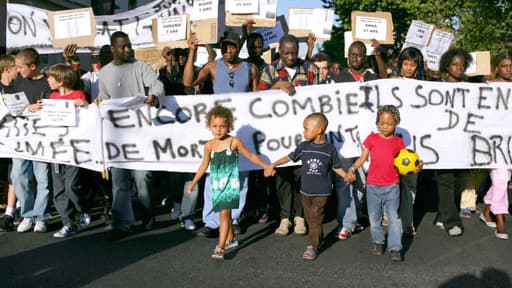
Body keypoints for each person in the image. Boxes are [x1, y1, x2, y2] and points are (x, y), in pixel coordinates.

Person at [184, 30, 259, 237]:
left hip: (242, 129)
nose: (228, 50)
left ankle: (233, 218)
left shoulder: (251, 69)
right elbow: (188, 82)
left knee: (240, 176)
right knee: (214, 176)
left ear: (238, 47)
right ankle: (212, 220)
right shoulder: (213, 66)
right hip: (220, 129)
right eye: (224, 47)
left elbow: (257, 100)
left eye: (232, 46)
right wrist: (191, 52)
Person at [98, 31, 164, 240]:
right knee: (119, 181)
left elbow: (156, 84)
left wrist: (155, 96)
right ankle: (123, 223)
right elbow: (103, 98)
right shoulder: (105, 73)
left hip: (140, 133)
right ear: (112, 49)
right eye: (122, 47)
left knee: (143, 177)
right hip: (117, 135)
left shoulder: (140, 67)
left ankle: (147, 212)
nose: (127, 50)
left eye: (129, 46)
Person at [187, 105, 273, 259]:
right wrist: (193, 183)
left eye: (222, 126)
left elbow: (251, 156)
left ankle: (220, 247)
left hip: (230, 183)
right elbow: (204, 165)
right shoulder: (209, 145)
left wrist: (266, 165)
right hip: (216, 184)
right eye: (215, 126)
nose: (218, 130)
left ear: (229, 126)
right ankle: (231, 238)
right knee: (223, 213)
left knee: (224, 214)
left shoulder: (234, 142)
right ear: (209, 126)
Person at [258, 34, 319, 236]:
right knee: (282, 175)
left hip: (304, 133)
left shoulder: (310, 70)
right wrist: (276, 88)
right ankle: (285, 218)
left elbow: (322, 96)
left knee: (302, 174)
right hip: (279, 134)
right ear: (280, 52)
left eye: (294, 52)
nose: (291, 57)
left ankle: (300, 216)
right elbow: (258, 99)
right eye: (286, 53)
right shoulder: (269, 70)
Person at [268, 113, 349, 260]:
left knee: (316, 217)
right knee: (311, 219)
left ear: (319, 130)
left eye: (306, 129)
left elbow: (336, 167)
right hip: (305, 191)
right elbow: (289, 157)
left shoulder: (329, 149)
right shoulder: (304, 147)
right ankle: (318, 236)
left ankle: (312, 247)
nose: (303, 132)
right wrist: (273, 164)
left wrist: (345, 176)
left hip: (322, 192)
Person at [347, 105, 422, 262]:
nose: (385, 126)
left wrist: (416, 168)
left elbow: (404, 165)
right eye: (381, 123)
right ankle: (379, 242)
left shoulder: (398, 142)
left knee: (394, 218)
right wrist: (353, 168)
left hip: (392, 186)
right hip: (373, 186)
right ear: (377, 123)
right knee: (375, 219)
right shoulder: (372, 139)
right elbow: (362, 158)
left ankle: (395, 248)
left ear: (396, 123)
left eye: (389, 123)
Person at [31, 64, 88, 237]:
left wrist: (83, 104)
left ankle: (82, 210)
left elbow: (88, 112)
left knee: (72, 185)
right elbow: (43, 113)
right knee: (59, 189)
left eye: (50, 77)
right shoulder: (52, 97)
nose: (47, 80)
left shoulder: (78, 95)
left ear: (61, 80)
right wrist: (35, 108)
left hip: (73, 149)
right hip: (56, 150)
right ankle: (68, 222)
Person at [332, 41, 378, 241]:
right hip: (344, 140)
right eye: (351, 54)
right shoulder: (337, 79)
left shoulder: (374, 79)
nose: (354, 58)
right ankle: (346, 223)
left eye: (358, 55)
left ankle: (356, 215)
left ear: (364, 57)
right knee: (344, 181)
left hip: (367, 140)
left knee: (363, 183)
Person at [433, 48, 473, 237]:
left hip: (461, 143)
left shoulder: (471, 88)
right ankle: (452, 222)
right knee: (445, 180)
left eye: (462, 65)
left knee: (454, 179)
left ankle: (442, 215)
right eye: (455, 64)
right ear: (446, 66)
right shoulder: (435, 88)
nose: (459, 68)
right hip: (442, 144)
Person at [11, 48, 52, 233]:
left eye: (20, 67)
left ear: (33, 66)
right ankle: (27, 214)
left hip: (41, 138)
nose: (18, 70)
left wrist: (41, 108)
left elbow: (54, 106)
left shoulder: (47, 83)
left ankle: (41, 216)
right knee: (18, 175)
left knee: (42, 177)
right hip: (22, 137)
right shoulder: (19, 81)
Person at [390, 46, 426, 237]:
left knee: (410, 186)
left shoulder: (426, 87)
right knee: (391, 184)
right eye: (406, 64)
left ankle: (407, 223)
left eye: (413, 64)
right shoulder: (392, 83)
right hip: (394, 143)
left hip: (415, 146)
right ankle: (389, 219)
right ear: (400, 64)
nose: (409, 68)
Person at [480, 52, 512, 240]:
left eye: (511, 66)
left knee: (505, 176)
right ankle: (500, 220)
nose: (509, 70)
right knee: (500, 177)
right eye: (505, 66)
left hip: (510, 141)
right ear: (496, 68)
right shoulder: (488, 88)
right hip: (494, 142)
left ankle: (487, 209)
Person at [0, 54, 19, 231]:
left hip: (14, 141)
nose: (18, 70)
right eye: (16, 68)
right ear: (7, 69)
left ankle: (10, 212)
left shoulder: (18, 88)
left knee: (14, 174)